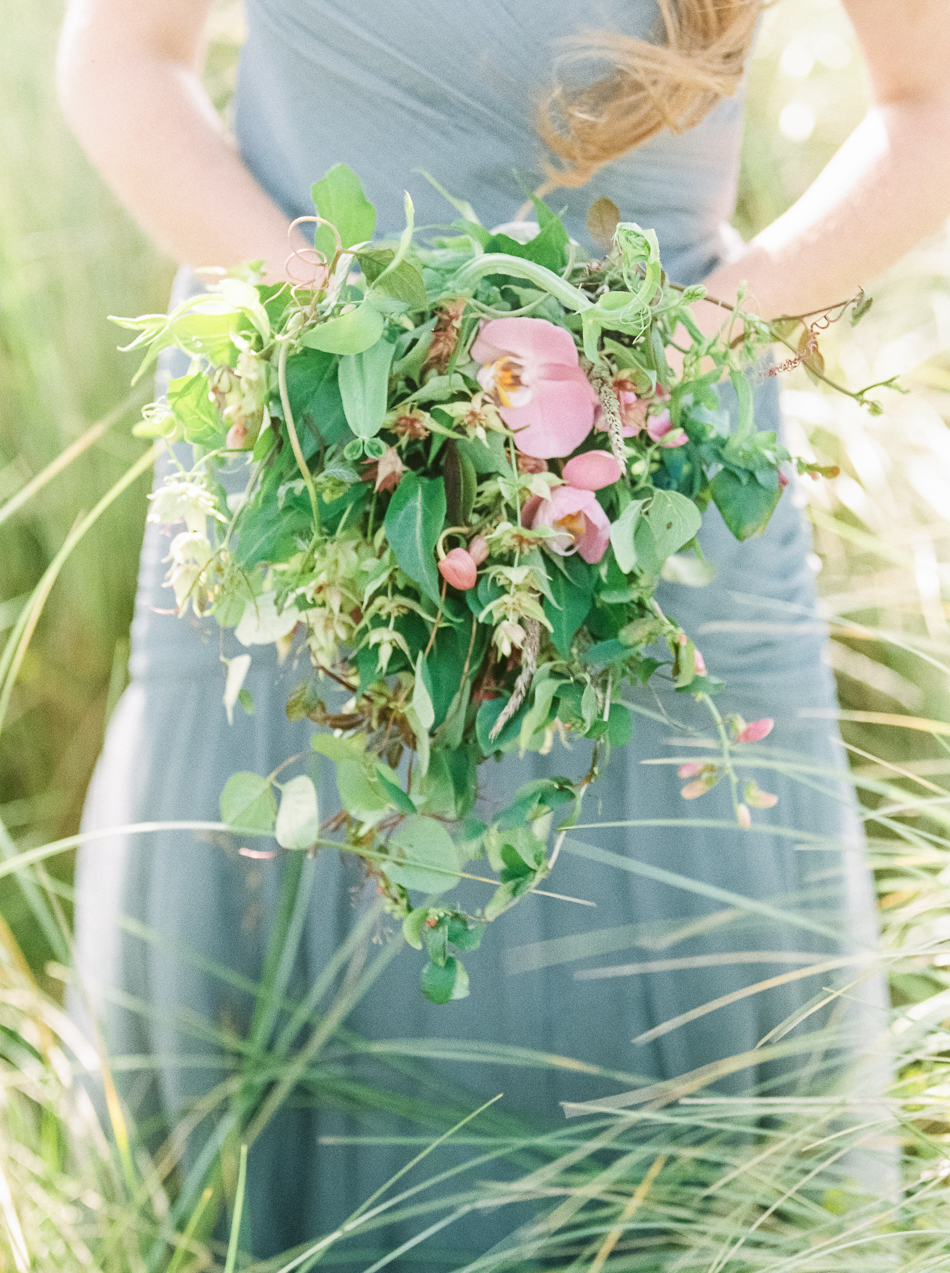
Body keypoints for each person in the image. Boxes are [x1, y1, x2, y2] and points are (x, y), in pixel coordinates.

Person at [57, 0, 950, 1264]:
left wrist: (680, 353)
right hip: (299, 453)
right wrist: (352, 350)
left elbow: (929, 101)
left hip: (652, 491)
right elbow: (116, 58)